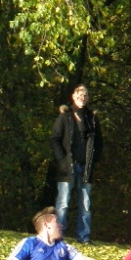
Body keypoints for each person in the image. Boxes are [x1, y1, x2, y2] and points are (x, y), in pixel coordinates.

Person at [50, 84, 102, 244]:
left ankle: (84, 237)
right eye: (80, 95)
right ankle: (57, 236)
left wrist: (93, 161)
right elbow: (54, 139)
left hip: (86, 169)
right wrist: (62, 160)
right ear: (73, 96)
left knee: (85, 205)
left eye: (85, 95)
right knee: (63, 204)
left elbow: (99, 143)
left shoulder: (92, 119)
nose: (83, 98)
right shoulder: (65, 117)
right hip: (67, 169)